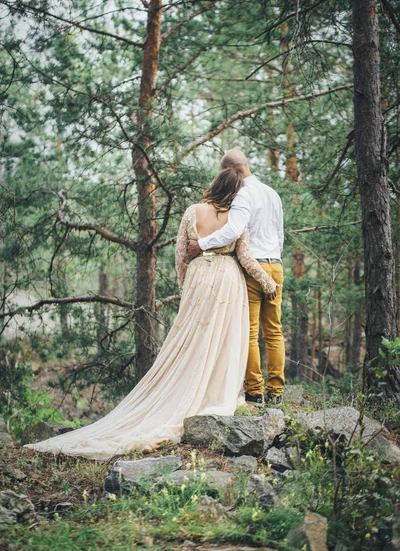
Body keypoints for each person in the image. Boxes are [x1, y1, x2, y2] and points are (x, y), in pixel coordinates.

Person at [23, 169, 277, 460]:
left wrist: (187, 290)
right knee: (223, 341)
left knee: (192, 342)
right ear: (236, 192)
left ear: (215, 185)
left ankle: (185, 392)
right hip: (228, 280)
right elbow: (245, 258)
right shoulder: (236, 217)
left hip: (199, 278)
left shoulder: (192, 212)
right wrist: (268, 283)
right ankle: (214, 395)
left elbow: (180, 256)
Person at [188, 149, 285, 406]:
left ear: (233, 171)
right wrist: (274, 262)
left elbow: (233, 229)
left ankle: (255, 392)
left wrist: (203, 244)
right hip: (275, 265)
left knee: (250, 332)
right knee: (274, 331)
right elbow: (279, 233)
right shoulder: (271, 193)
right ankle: (277, 392)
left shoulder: (242, 194)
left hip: (252, 267)